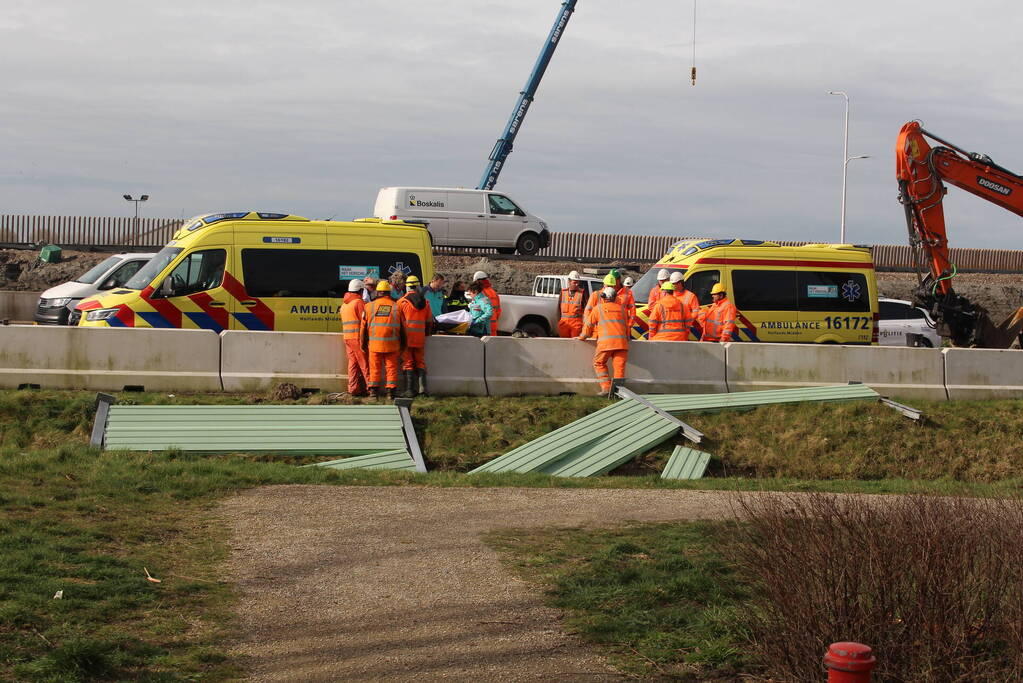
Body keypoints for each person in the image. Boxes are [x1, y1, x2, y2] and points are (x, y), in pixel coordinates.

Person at [578, 286, 630, 395]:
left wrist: (582, 337)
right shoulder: (621, 309)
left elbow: (588, 326)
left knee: (599, 363)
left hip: (606, 344)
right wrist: (627, 339)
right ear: (615, 298)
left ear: (604, 297)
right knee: (619, 368)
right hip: (622, 344)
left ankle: (606, 388)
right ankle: (618, 392)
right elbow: (627, 327)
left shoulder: (598, 309)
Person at [363, 280, 404, 399]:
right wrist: (403, 344)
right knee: (391, 368)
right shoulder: (397, 307)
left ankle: (373, 392)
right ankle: (391, 392)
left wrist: (362, 343)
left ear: (377, 293)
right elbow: (403, 328)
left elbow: (363, 328)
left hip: (374, 344)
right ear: (389, 293)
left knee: (374, 368)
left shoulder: (368, 306)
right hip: (392, 344)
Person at [398, 286, 432, 397]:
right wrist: (426, 333)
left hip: (406, 338)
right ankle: (423, 390)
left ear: (407, 287)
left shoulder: (401, 302)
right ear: (417, 287)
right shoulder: (426, 303)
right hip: (420, 337)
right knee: (420, 362)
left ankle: (409, 390)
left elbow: (397, 321)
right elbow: (429, 322)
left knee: (407, 363)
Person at [340, 279, 369, 396]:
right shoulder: (358, 302)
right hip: (357, 338)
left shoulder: (344, 304)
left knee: (352, 364)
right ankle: (370, 389)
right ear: (360, 290)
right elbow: (365, 321)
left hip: (347, 338)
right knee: (364, 364)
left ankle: (353, 389)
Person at [671, 271, 701, 339]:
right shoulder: (670, 295)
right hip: (672, 329)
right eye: (672, 284)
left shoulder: (691, 296)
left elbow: (696, 312)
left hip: (685, 329)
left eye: (675, 283)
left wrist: (686, 321)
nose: (673, 286)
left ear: (681, 283)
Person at [557, 271, 586, 339]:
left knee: (575, 345)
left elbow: (587, 310)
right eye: (574, 282)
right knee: (564, 345)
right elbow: (558, 309)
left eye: (578, 282)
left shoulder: (582, 293)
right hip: (563, 324)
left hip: (576, 325)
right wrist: (558, 322)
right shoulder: (563, 292)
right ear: (569, 281)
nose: (577, 284)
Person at [473, 270, 501, 336]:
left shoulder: (481, 292)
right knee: (492, 344)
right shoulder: (493, 292)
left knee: (482, 344)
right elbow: (498, 310)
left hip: (484, 324)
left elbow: (479, 309)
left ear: (478, 280)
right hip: (493, 323)